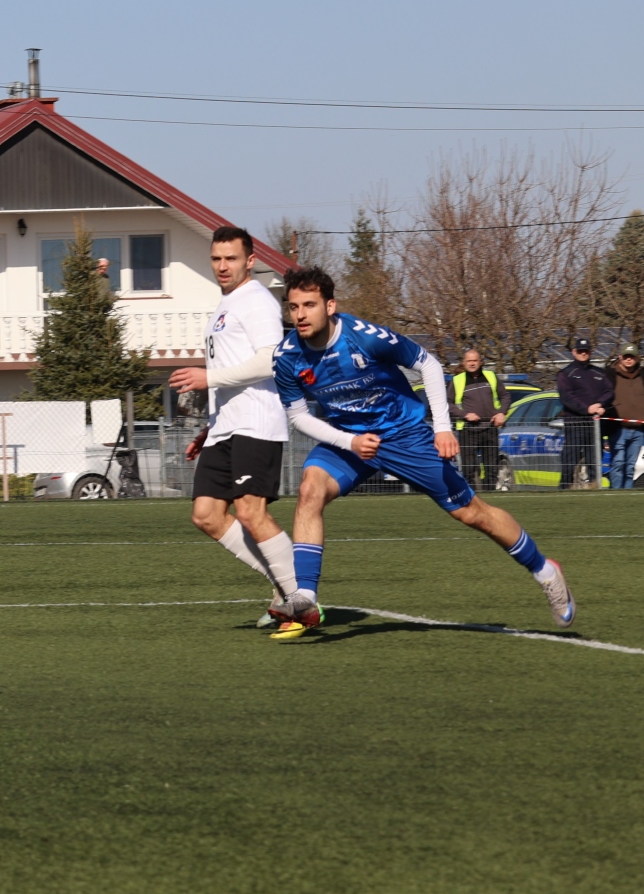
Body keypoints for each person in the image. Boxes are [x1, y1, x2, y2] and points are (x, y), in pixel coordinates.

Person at [269, 266, 574, 639]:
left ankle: (545, 571)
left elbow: (427, 363)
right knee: (310, 489)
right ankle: (305, 598)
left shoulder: (365, 338)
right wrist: (348, 442)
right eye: (293, 306)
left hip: (405, 435)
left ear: (330, 306)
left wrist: (443, 428)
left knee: (472, 513)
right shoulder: (286, 356)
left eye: (309, 305)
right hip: (350, 440)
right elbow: (298, 416)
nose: (299, 314)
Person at [169, 226, 297, 629]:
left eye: (231, 259)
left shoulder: (256, 300)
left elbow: (268, 362)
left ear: (250, 261)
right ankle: (283, 584)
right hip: (227, 426)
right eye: (216, 259)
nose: (222, 266)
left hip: (256, 421)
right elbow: (232, 367)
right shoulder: (225, 305)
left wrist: (208, 379)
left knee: (249, 511)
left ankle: (299, 597)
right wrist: (210, 427)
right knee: (206, 514)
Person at [555, 337, 613, 489]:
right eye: (580, 351)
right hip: (575, 423)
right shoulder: (566, 373)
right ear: (574, 352)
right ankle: (565, 487)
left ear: (590, 352)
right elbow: (566, 397)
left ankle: (594, 487)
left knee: (594, 458)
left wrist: (600, 404)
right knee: (570, 458)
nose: (583, 354)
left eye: (586, 351)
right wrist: (586, 409)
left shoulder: (598, 373)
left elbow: (609, 392)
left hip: (594, 425)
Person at [447, 348, 505, 491]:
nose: (472, 363)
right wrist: (465, 414)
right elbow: (448, 404)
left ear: (480, 362)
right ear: (464, 363)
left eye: (475, 360)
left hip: (490, 428)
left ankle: (490, 499)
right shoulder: (457, 381)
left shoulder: (491, 376)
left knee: (491, 468)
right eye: (469, 361)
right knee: (469, 469)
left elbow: (505, 396)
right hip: (468, 430)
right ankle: (471, 500)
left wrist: (501, 413)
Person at [605, 343, 644, 490]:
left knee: (630, 466)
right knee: (618, 463)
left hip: (638, 430)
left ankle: (627, 494)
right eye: (626, 356)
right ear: (620, 357)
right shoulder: (610, 375)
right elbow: (604, 398)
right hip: (618, 429)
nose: (628, 359)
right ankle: (615, 494)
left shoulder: (643, 376)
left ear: (637, 358)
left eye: (631, 357)